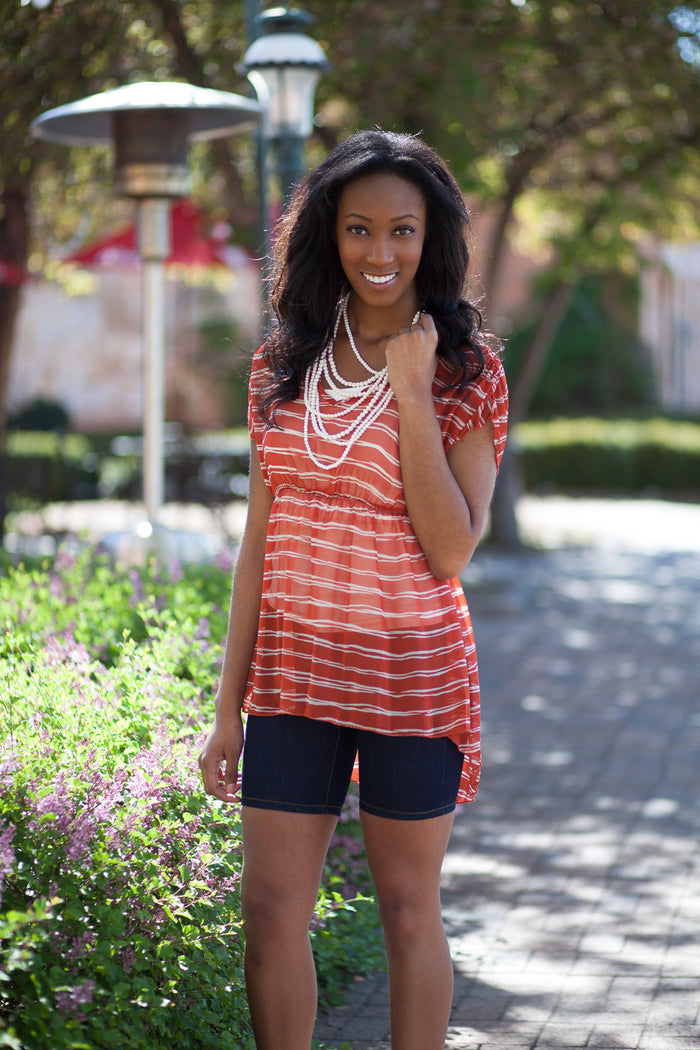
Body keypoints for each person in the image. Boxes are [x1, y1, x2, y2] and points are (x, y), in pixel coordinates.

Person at [198, 128, 508, 1050]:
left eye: (402, 231)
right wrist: (227, 708)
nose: (381, 253)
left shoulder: (464, 372)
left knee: (409, 913)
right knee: (267, 915)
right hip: (293, 677)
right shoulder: (283, 364)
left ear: (432, 238)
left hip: (413, 678)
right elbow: (260, 542)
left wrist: (413, 390)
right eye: (360, 230)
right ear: (329, 237)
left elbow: (452, 550)